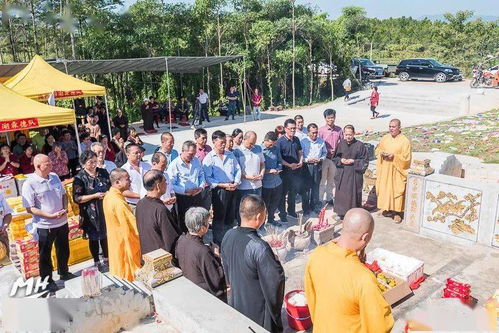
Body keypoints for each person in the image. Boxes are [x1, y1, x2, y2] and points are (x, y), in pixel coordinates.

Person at [304, 208, 394, 333]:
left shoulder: (317, 255)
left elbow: (311, 297)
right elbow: (379, 326)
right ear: (366, 237)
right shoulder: (363, 279)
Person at [221, 195, 285, 333]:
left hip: (237, 299)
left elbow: (226, 267)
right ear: (258, 217)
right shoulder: (259, 247)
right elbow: (275, 281)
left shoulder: (228, 235)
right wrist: (276, 262)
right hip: (257, 309)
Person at [22, 154, 75, 292]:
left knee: (63, 248)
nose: (51, 165)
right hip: (45, 224)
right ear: (38, 166)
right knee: (45, 254)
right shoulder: (29, 183)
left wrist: (64, 208)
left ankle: (64, 271)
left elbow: (63, 194)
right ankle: (47, 280)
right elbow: (30, 208)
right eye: (48, 164)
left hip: (61, 221)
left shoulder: (55, 176)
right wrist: (49, 215)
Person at [175, 207, 227, 301]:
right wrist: (216, 255)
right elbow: (216, 279)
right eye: (208, 223)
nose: (208, 224)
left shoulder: (181, 239)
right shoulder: (203, 251)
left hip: (188, 284)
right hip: (203, 294)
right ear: (203, 228)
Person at [203, 130, 241, 245]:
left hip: (232, 188)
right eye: (221, 142)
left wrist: (236, 182)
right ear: (214, 142)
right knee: (219, 216)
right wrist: (223, 185)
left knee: (230, 215)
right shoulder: (209, 158)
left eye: (225, 142)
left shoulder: (230, 155)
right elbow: (208, 178)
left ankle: (229, 238)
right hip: (220, 190)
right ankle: (218, 241)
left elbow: (238, 169)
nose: (224, 144)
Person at [73, 150, 110, 269]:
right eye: (90, 162)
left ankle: (107, 258)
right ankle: (96, 261)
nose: (94, 164)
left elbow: (111, 186)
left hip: (105, 208)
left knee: (105, 235)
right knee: (94, 237)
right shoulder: (80, 178)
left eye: (95, 161)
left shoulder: (103, 173)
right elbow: (77, 198)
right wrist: (94, 196)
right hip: (90, 212)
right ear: (83, 164)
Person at [103, 168, 141, 281]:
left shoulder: (109, 196)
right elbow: (133, 228)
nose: (130, 181)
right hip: (124, 246)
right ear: (117, 182)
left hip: (115, 242)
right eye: (127, 179)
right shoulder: (118, 202)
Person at [136, 170, 181, 256]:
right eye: (164, 181)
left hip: (146, 254)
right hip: (160, 257)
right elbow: (171, 238)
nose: (167, 185)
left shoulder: (140, 203)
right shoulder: (160, 210)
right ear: (158, 186)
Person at [375, 119, 411, 223]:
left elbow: (406, 158)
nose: (391, 129)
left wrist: (394, 156)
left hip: (397, 170)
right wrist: (382, 153)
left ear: (399, 128)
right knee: (386, 189)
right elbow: (378, 150)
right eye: (390, 126)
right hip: (386, 169)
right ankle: (387, 209)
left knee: (397, 191)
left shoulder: (405, 141)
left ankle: (398, 213)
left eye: (394, 127)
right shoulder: (385, 138)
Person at [166, 141, 205, 232]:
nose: (192, 156)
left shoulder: (196, 160)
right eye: (190, 154)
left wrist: (201, 186)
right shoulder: (174, 165)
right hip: (183, 198)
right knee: (184, 222)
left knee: (197, 220)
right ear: (183, 151)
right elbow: (171, 184)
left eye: (194, 154)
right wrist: (185, 191)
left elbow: (201, 174)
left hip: (196, 195)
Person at [333, 125, 369, 219]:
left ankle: (354, 214)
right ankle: (341, 213)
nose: (348, 137)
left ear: (354, 133)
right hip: (343, 173)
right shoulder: (341, 144)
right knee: (342, 194)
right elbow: (335, 158)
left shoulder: (360, 145)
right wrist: (341, 160)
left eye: (350, 134)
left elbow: (365, 161)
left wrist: (354, 161)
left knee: (354, 194)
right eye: (346, 134)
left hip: (354, 174)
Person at [276, 119, 305, 222]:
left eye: (294, 128)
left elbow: (300, 152)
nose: (293, 130)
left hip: (296, 170)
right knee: (283, 194)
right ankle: (282, 214)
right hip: (285, 171)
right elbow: (279, 158)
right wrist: (289, 165)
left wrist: (301, 161)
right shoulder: (280, 142)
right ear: (285, 129)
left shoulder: (296, 139)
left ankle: (291, 211)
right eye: (291, 128)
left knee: (293, 192)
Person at [235, 131, 265, 223]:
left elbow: (262, 163)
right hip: (244, 187)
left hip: (258, 185)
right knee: (245, 210)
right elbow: (236, 171)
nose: (253, 146)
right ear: (244, 139)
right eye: (251, 143)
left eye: (254, 143)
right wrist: (247, 177)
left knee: (258, 207)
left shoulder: (258, 148)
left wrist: (262, 173)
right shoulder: (237, 152)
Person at [318, 109, 343, 205]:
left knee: (332, 181)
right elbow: (318, 145)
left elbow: (342, 143)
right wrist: (327, 150)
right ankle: (320, 200)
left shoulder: (339, 130)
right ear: (325, 118)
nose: (331, 120)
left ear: (335, 118)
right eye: (328, 118)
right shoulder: (321, 131)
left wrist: (337, 151)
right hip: (324, 159)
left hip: (335, 159)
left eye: (332, 117)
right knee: (322, 180)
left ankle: (329, 198)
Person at [301, 123, 327, 215]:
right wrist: (307, 159)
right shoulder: (303, 142)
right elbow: (300, 156)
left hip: (317, 166)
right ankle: (306, 209)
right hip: (307, 167)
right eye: (313, 133)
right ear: (308, 133)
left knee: (316, 187)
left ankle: (314, 206)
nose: (315, 135)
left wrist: (321, 159)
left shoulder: (321, 141)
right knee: (306, 189)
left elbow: (324, 153)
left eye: (316, 132)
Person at [261, 132, 283, 227]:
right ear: (265, 140)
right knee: (265, 204)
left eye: (274, 144)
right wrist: (269, 171)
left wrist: (278, 168)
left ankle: (271, 219)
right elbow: (258, 168)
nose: (272, 146)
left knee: (275, 202)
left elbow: (279, 161)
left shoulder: (276, 149)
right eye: (270, 144)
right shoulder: (260, 150)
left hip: (277, 181)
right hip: (266, 183)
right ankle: (262, 222)